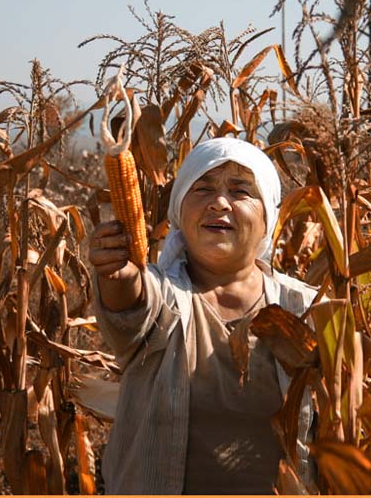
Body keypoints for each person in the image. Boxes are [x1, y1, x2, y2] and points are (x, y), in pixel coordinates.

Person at [89, 138, 318, 494]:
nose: (219, 202)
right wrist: (117, 274)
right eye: (203, 189)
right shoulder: (162, 293)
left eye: (240, 191)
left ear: (267, 220)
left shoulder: (306, 308)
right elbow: (130, 306)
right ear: (180, 212)